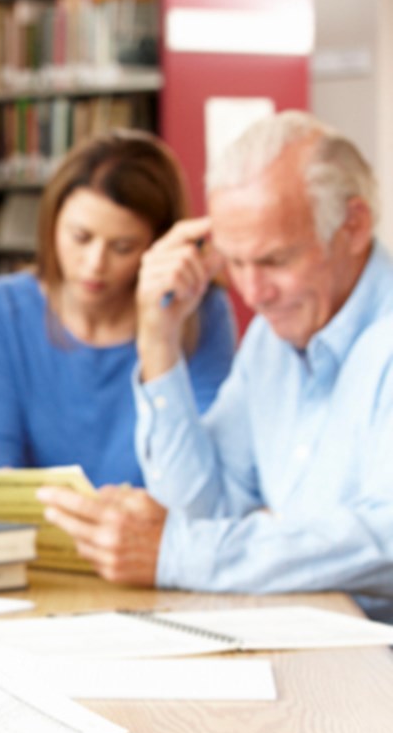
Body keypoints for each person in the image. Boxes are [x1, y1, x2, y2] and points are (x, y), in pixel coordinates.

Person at [38, 111, 393, 622]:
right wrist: (158, 339)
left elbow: (381, 541)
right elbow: (203, 508)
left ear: (353, 227)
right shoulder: (274, 341)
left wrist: (180, 551)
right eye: (235, 262)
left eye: (274, 261)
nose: (252, 294)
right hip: (292, 638)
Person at [0, 129, 237, 487]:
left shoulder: (200, 313)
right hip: (33, 532)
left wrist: (159, 335)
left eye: (122, 247)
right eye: (80, 237)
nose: (94, 264)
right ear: (52, 223)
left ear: (156, 246)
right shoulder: (5, 307)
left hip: (148, 537)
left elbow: (201, 477)